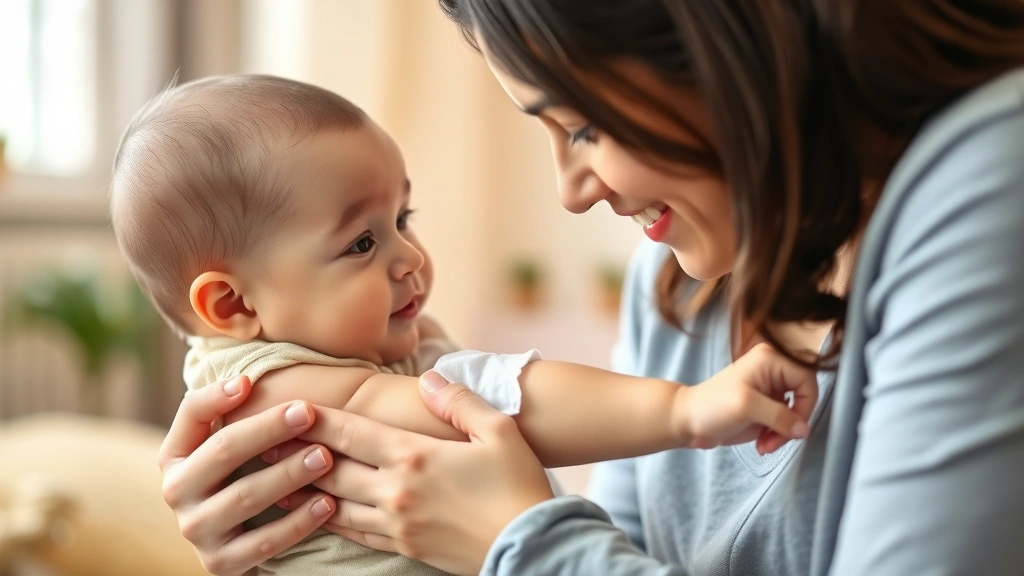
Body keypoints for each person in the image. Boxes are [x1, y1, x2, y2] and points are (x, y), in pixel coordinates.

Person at [156, 1, 1024, 574]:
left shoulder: (991, 181)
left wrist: (515, 538)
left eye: (586, 126)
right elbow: (522, 424)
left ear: (726, 43)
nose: (574, 193)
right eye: (358, 240)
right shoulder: (682, 278)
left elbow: (549, 519)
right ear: (229, 304)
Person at [111, 74, 817, 576]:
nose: (409, 256)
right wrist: (686, 408)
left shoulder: (363, 349)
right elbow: (505, 402)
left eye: (401, 220)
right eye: (362, 243)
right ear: (234, 306)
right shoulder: (279, 395)